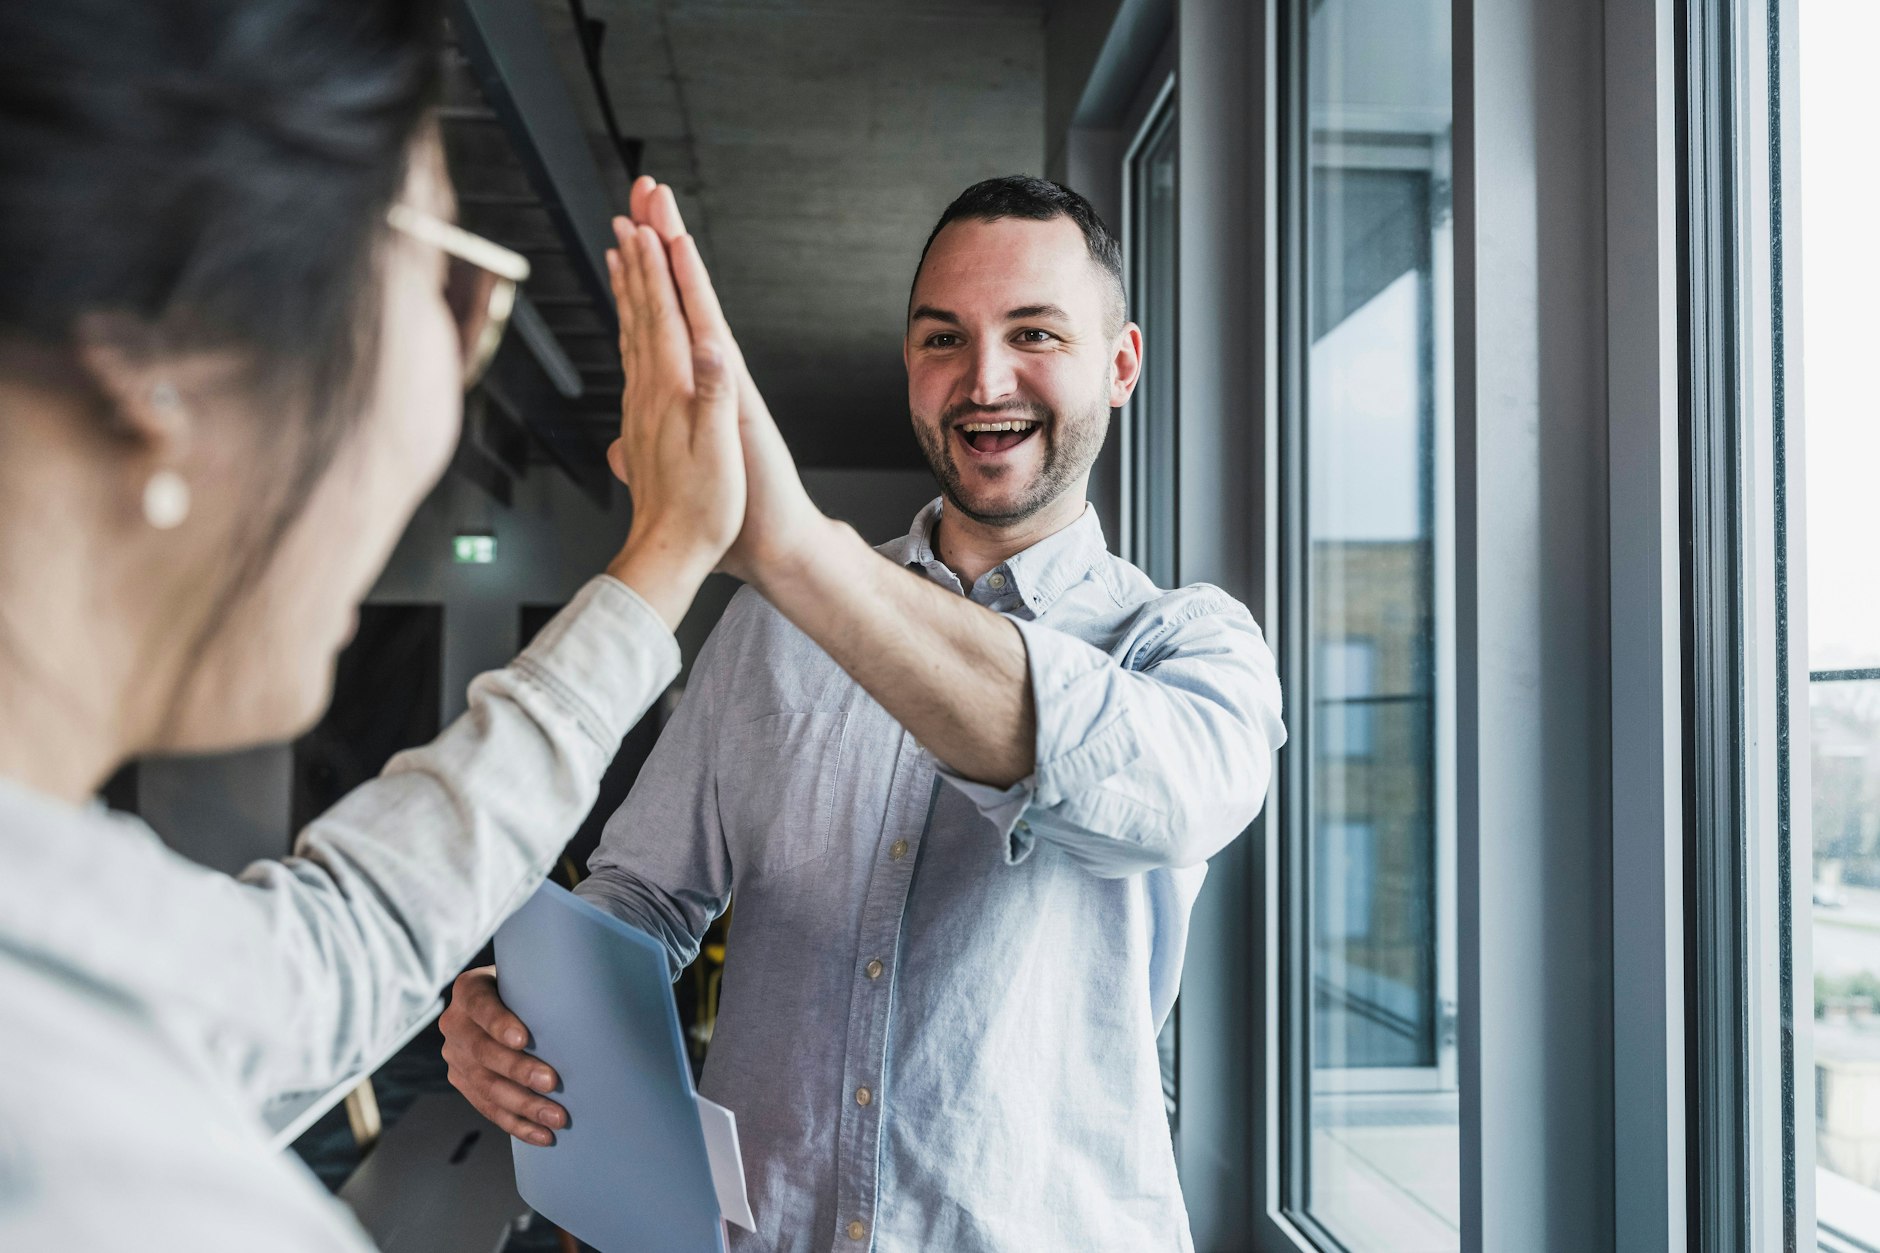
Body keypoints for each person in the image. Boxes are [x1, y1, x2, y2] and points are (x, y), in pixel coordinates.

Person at [0, 1, 764, 1247]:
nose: (442, 401)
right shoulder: (119, 1188)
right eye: (451, 286)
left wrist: (662, 560)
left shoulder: (65, 931)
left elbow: (326, 951)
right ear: (172, 357)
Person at [443, 174, 1288, 1251]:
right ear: (909, 367)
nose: (984, 379)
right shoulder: (768, 624)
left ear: (1119, 363)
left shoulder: (1190, 645)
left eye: (1033, 332)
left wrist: (793, 548)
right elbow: (643, 898)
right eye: (943, 338)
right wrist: (519, 1009)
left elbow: (1142, 794)